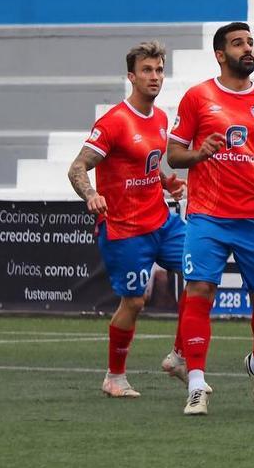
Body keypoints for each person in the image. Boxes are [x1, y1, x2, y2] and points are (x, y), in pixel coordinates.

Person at [166, 22, 254, 416]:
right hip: (208, 215)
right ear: (220, 54)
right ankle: (197, 384)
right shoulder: (198, 97)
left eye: (251, 42)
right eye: (238, 44)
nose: (247, 49)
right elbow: (173, 154)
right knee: (199, 293)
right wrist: (199, 153)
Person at [68, 41, 187, 399]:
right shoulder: (114, 122)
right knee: (134, 303)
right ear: (131, 76)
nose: (155, 77)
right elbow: (77, 167)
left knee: (203, 273)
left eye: (159, 70)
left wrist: (167, 181)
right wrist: (91, 194)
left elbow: (147, 164)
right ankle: (114, 377)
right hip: (124, 229)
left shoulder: (163, 119)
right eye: (147, 70)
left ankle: (180, 356)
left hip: (162, 222)